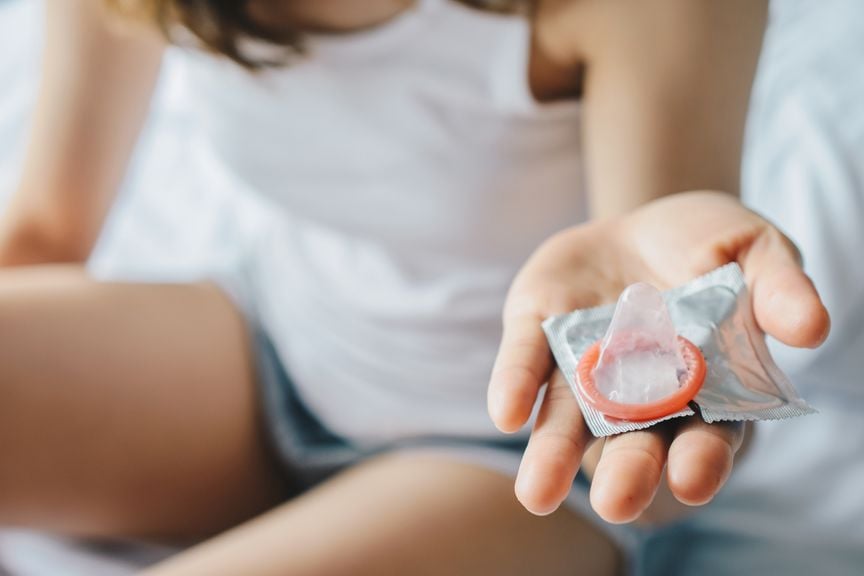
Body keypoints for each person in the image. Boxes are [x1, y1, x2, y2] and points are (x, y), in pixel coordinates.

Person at [0, 0, 830, 574]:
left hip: (512, 464)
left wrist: (702, 382)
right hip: (268, 351)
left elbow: (664, 412)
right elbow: (44, 229)